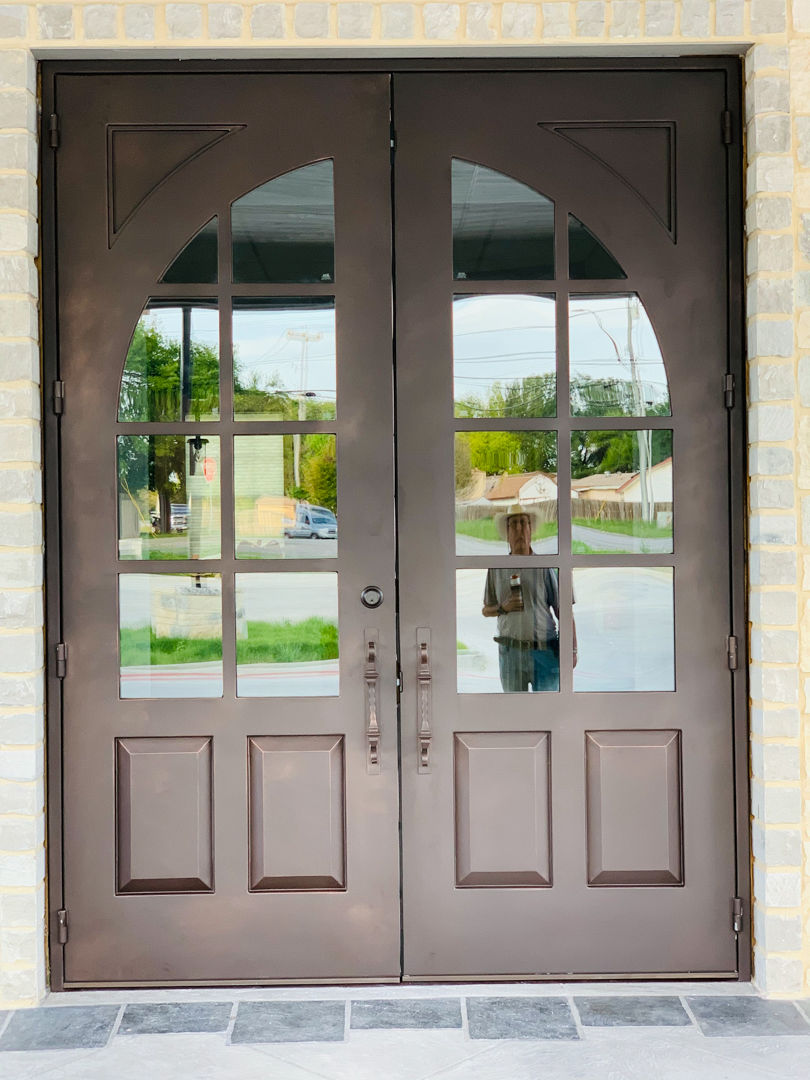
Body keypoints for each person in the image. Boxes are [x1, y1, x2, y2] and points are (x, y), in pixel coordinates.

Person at [482, 503, 577, 692]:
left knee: (548, 713)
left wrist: (572, 649)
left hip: (544, 650)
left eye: (523, 524)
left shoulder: (546, 565)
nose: (519, 530)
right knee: (515, 714)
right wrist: (503, 608)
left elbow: (564, 611)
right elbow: (486, 609)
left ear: (530, 529)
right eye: (514, 524)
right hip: (510, 652)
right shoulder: (496, 568)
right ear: (507, 533)